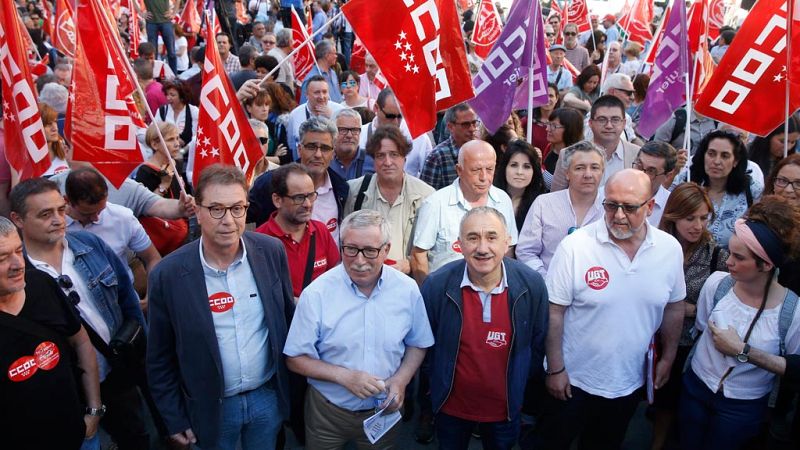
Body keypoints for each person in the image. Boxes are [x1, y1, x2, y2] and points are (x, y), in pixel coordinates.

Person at [146, 164, 295, 450]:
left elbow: (285, 321)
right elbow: (159, 358)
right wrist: (174, 418)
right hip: (209, 407)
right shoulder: (168, 274)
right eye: (216, 209)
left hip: (267, 398)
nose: (228, 220)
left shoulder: (271, 252)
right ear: (198, 212)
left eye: (237, 208)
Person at [536, 169, 686, 450]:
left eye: (629, 207)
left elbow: (674, 307)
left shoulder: (670, 250)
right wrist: (556, 369)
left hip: (627, 384)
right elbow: (554, 311)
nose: (618, 215)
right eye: (611, 204)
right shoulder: (576, 246)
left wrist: (669, 356)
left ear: (650, 207)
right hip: (572, 381)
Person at [10, 178, 150, 450]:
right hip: (69, 391)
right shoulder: (17, 275)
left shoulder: (90, 245)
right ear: (17, 219)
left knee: (137, 438)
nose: (58, 219)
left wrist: (140, 351)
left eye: (61, 210)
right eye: (45, 214)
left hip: (116, 371)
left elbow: (127, 300)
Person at [283, 209, 434, 449]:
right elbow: (295, 358)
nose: (359, 260)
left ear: (386, 250)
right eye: (350, 249)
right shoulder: (317, 293)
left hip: (384, 411)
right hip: (327, 412)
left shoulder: (407, 289)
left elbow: (418, 342)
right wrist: (345, 377)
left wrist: (401, 380)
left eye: (370, 251)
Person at [421, 207, 549, 449]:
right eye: (472, 238)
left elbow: (537, 342)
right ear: (459, 243)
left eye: (491, 237)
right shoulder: (437, 285)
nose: (482, 248)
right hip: (451, 408)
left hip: (505, 410)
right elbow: (425, 348)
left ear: (507, 241)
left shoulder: (531, 285)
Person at [680, 196, 800, 450]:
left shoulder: (792, 312)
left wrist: (743, 351)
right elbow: (701, 326)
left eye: (739, 257)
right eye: (730, 253)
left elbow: (793, 366)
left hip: (743, 406)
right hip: (696, 387)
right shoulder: (717, 284)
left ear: (766, 264)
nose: (728, 262)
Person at [0, 216, 103, 450]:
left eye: (18, 250)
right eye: (2, 258)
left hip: (80, 436)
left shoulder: (41, 284)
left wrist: (94, 410)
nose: (18, 264)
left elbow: (81, 342)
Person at [649, 183, 729, 450]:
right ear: (673, 216)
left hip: (687, 345)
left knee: (670, 404)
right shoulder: (653, 247)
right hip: (648, 337)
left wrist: (691, 309)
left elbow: (723, 303)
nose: (697, 225)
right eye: (690, 218)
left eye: (704, 218)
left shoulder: (716, 254)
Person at [412, 140, 518, 283]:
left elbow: (508, 249)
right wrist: (429, 296)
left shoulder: (503, 200)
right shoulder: (435, 204)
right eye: (476, 170)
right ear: (459, 170)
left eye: (490, 169)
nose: (484, 177)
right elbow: (419, 255)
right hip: (446, 293)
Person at [344, 125, 435, 275]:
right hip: (365, 278)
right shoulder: (355, 191)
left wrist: (410, 263)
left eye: (394, 154)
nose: (387, 162)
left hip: (408, 282)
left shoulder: (427, 195)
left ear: (404, 158)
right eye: (380, 155)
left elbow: (434, 248)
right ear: (373, 160)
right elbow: (345, 240)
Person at [249, 117, 350, 241]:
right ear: (299, 149)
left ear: (333, 153)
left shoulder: (341, 188)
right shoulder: (269, 183)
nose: (318, 154)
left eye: (324, 148)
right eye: (311, 147)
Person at [516, 141, 605, 276]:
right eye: (580, 168)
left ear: (602, 172)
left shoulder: (612, 208)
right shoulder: (544, 204)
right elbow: (526, 251)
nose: (588, 174)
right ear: (567, 173)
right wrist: (547, 280)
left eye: (594, 167)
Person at [255, 163, 340, 300]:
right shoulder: (259, 241)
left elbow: (336, 278)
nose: (307, 204)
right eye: (299, 198)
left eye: (311, 196)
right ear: (277, 200)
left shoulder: (321, 231)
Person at [65, 167, 161, 282]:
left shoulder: (123, 218)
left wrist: (151, 295)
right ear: (67, 201)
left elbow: (152, 258)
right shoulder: (54, 227)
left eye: (101, 210)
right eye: (87, 214)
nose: (96, 218)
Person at [690, 130, 764, 248]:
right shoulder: (689, 185)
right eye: (711, 154)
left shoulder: (752, 191)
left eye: (725, 156)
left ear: (735, 161)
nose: (716, 161)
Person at [551, 95, 640, 191]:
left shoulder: (637, 154)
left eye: (615, 120)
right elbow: (556, 197)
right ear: (590, 123)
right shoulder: (568, 154)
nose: (609, 125)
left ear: (624, 123)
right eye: (602, 119)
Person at [359, 88, 434, 178]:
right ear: (376, 108)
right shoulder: (360, 135)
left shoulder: (419, 137)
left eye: (400, 117)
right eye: (390, 116)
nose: (395, 122)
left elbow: (429, 175)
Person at [420, 103, 482, 190]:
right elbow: (426, 195)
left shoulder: (482, 151)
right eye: (465, 125)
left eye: (474, 123)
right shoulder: (437, 157)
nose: (472, 129)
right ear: (450, 127)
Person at [493, 140, 547, 234]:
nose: (519, 172)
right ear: (504, 167)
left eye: (526, 167)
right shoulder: (490, 197)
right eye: (514, 165)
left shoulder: (542, 204)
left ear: (534, 171)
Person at [286, 75, 345, 158]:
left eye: (324, 92)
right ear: (306, 94)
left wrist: (332, 118)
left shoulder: (340, 111)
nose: (321, 96)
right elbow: (292, 146)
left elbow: (345, 140)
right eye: (317, 92)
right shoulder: (295, 115)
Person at [632, 141, 678, 226]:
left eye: (651, 171)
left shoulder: (672, 206)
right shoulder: (608, 194)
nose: (641, 174)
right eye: (639, 166)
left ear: (668, 176)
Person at [542, 108, 584, 189]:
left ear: (569, 129)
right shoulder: (549, 148)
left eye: (553, 126)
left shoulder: (576, 158)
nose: (547, 129)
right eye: (548, 124)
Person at [155, 80, 199, 156]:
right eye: (167, 94)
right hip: (165, 156)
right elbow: (154, 131)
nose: (168, 98)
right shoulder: (162, 111)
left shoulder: (193, 111)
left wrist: (183, 151)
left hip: (186, 157)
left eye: (172, 95)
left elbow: (197, 137)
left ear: (182, 97)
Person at [331, 108, 374, 181]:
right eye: (343, 130)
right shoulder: (324, 160)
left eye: (354, 130)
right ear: (332, 132)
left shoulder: (372, 161)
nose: (349, 135)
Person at [300, 39, 342, 104]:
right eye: (334, 53)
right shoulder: (310, 79)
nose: (336, 56)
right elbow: (305, 105)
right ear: (327, 55)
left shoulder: (333, 73)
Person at [142, 0, 177, 73]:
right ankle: (154, 76)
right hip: (152, 23)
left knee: (172, 52)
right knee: (152, 53)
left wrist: (174, 13)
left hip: (165, 21)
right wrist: (141, 13)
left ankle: (174, 77)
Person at [39, 103, 70, 176]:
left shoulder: (64, 146)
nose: (55, 128)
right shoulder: (25, 159)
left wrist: (70, 161)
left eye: (55, 122)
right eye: (49, 124)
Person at [529, 83, 561, 153]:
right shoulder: (527, 122)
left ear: (557, 98)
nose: (547, 99)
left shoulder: (563, 122)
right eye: (544, 95)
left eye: (551, 96)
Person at [269, 29, 296, 94]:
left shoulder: (281, 55)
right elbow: (279, 86)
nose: (296, 42)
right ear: (290, 42)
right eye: (294, 39)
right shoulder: (278, 58)